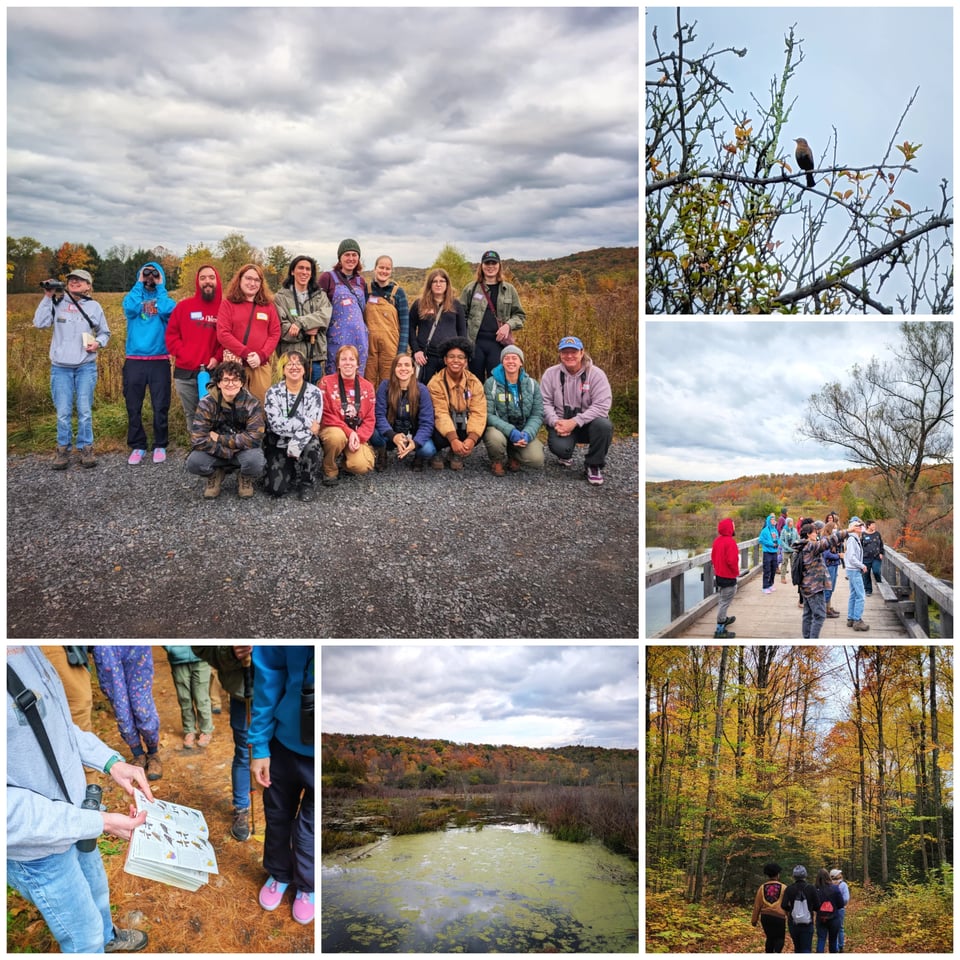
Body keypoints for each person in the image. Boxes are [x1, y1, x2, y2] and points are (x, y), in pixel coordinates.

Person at [8, 646, 156, 953]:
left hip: (76, 818)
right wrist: (97, 821)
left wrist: (110, 762)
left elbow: (57, 727)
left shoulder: (28, 649)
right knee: (83, 938)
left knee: (97, 891)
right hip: (38, 848)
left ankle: (108, 937)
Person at [249, 647, 314, 925]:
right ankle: (279, 874)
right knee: (277, 816)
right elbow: (269, 675)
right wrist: (260, 745)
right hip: (283, 746)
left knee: (308, 830)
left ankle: (308, 885)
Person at [33, 269, 111, 469]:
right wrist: (47, 296)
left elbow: (104, 332)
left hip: (85, 366)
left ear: (88, 285)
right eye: (71, 280)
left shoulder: (94, 306)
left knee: (84, 411)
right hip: (60, 368)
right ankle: (62, 449)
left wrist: (98, 344)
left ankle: (86, 448)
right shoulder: (57, 303)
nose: (75, 282)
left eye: (80, 280)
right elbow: (40, 323)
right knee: (63, 411)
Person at [191, 647, 253, 842]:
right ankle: (242, 808)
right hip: (245, 694)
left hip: (289, 695)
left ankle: (282, 813)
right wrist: (230, 653)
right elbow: (201, 647)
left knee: (283, 754)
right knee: (244, 752)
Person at [186, 360, 266, 499]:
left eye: (235, 380)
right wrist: (227, 451)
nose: (230, 384)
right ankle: (215, 474)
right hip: (222, 450)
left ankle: (244, 477)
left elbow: (255, 437)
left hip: (238, 450)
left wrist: (220, 438)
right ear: (218, 383)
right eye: (226, 379)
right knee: (194, 462)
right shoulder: (206, 403)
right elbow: (198, 439)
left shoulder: (252, 403)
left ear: (242, 383)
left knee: (256, 461)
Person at [122, 260, 176, 465]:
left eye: (154, 275)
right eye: (147, 275)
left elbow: (168, 311)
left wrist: (160, 287)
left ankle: (160, 444)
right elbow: (130, 309)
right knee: (133, 405)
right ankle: (138, 445)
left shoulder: (165, 299)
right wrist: (139, 283)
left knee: (160, 405)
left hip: (159, 359)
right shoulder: (134, 297)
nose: (150, 278)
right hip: (134, 359)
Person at [540, 336, 614, 485]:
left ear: (582, 352)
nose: (569, 356)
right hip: (560, 422)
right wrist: (555, 422)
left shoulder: (597, 374)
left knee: (604, 426)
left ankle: (593, 465)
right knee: (560, 448)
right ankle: (564, 454)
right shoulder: (550, 374)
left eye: (573, 352)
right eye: (564, 352)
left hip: (587, 424)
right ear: (560, 354)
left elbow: (602, 406)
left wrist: (575, 421)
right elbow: (544, 402)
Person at [89, 646, 163, 782]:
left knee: (142, 708)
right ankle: (138, 754)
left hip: (135, 646)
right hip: (106, 649)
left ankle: (153, 753)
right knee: (121, 709)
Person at [165, 264, 222, 433]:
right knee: (192, 413)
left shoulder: (225, 307)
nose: (207, 281)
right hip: (185, 373)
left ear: (217, 281)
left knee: (215, 413)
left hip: (214, 373)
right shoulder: (184, 307)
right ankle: (197, 449)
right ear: (198, 282)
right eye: (203, 278)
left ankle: (215, 450)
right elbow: (171, 336)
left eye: (211, 277)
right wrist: (185, 354)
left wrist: (217, 357)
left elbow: (227, 338)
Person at [263, 348, 324, 501]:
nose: (294, 367)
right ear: (283, 370)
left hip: (303, 441)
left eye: (298, 364)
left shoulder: (314, 392)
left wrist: (295, 444)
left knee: (313, 444)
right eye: (289, 364)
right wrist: (306, 421)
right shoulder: (273, 393)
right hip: (278, 441)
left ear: (305, 369)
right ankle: (288, 469)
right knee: (275, 490)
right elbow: (276, 425)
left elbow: (313, 428)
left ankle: (307, 482)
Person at [217, 263, 281, 409]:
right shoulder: (228, 304)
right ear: (240, 279)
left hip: (260, 366)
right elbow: (223, 333)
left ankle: (259, 432)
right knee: (233, 406)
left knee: (260, 406)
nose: (252, 283)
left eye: (257, 280)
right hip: (234, 365)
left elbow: (275, 332)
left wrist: (261, 355)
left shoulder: (268, 306)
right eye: (248, 278)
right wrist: (245, 353)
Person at [459, 250, 526, 382]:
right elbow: (460, 317)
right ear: (481, 266)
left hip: (498, 345)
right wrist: (463, 343)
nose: (490, 266)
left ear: (499, 266)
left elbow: (520, 315)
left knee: (497, 382)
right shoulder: (471, 289)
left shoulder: (509, 290)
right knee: (474, 382)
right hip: (474, 344)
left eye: (494, 263)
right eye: (487, 263)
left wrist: (508, 325)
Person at [318, 344, 376, 485]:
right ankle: (329, 467)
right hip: (333, 429)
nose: (348, 363)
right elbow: (324, 414)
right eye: (343, 359)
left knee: (362, 465)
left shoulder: (367, 387)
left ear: (357, 364)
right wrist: (349, 432)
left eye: (352, 359)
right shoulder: (326, 382)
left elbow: (370, 418)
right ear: (338, 363)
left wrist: (359, 437)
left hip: (356, 433)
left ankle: (346, 461)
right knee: (336, 437)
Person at [482, 345, 544, 475]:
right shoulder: (491, 383)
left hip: (522, 430)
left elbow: (537, 414)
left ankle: (514, 455)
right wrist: (510, 431)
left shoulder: (532, 385)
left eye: (514, 358)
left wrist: (527, 433)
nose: (511, 361)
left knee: (536, 460)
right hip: (499, 429)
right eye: (507, 358)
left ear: (521, 362)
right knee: (494, 438)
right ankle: (497, 460)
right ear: (502, 362)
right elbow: (488, 414)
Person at [427, 337, 487, 471]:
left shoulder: (474, 382)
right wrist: (453, 439)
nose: (456, 360)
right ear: (445, 360)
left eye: (461, 357)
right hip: (443, 427)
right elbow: (440, 413)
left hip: (464, 423)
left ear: (466, 361)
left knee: (481, 427)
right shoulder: (435, 383)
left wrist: (471, 439)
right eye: (451, 356)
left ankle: (456, 453)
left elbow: (479, 412)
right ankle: (437, 451)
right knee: (433, 426)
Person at [372, 353, 436, 472]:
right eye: (399, 365)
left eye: (407, 365)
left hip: (413, 434)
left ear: (413, 370)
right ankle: (382, 452)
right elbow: (379, 415)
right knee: (373, 433)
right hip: (390, 432)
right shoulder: (385, 386)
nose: (403, 368)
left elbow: (427, 422)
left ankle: (418, 457)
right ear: (394, 369)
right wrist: (393, 435)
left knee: (428, 450)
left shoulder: (422, 390)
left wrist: (416, 442)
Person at [274, 255, 331, 385]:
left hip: (315, 358)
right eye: (300, 268)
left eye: (308, 269)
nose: (304, 272)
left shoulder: (320, 296)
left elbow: (324, 316)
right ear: (292, 271)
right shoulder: (280, 298)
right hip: (289, 359)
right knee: (291, 398)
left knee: (313, 397)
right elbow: (281, 327)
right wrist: (305, 332)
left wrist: (300, 323)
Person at [319, 239, 368, 376]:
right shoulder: (327, 278)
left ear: (358, 258)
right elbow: (318, 307)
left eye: (354, 255)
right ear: (340, 258)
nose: (351, 258)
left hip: (359, 339)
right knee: (335, 375)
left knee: (356, 376)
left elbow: (363, 310)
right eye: (347, 255)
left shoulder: (361, 281)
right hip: (336, 338)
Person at [411, 268, 466, 384]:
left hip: (449, 357)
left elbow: (462, 331)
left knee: (449, 387)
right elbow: (410, 328)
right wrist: (416, 350)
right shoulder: (419, 304)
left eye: (442, 281)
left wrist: (461, 355)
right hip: (425, 357)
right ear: (430, 284)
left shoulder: (455, 304)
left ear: (447, 284)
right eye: (435, 281)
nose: (438, 284)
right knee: (422, 389)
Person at [795, 522, 849, 638]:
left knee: (807, 614)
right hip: (814, 587)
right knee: (820, 615)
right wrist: (848, 531)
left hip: (805, 586)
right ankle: (812, 639)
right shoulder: (811, 546)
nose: (817, 534)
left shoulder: (801, 546)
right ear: (809, 534)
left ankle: (807, 638)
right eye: (815, 532)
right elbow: (829, 541)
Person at [364, 255, 410, 384]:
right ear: (375, 269)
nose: (384, 271)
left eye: (387, 268)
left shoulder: (398, 293)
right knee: (368, 382)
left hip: (391, 347)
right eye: (381, 267)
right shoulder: (366, 290)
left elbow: (405, 325)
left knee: (389, 383)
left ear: (391, 271)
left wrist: (401, 352)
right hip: (369, 347)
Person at [161, 646, 213, 750]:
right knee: (184, 698)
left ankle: (206, 730)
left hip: (202, 658)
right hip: (177, 659)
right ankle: (189, 730)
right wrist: (172, 648)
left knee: (202, 698)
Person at [711, 518, 739, 638]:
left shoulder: (717, 541)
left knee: (723, 598)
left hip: (719, 576)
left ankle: (723, 618)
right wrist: (736, 572)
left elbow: (713, 557)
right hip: (728, 576)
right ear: (729, 528)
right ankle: (720, 629)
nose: (734, 527)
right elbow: (732, 561)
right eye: (733, 525)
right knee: (724, 602)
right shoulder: (730, 542)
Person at [781, 864, 818, 954]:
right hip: (807, 922)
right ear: (805, 875)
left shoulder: (789, 889)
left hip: (793, 922)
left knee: (797, 948)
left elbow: (783, 905)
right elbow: (817, 906)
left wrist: (792, 909)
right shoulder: (811, 888)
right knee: (806, 948)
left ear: (794, 876)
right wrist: (809, 908)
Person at [751, 862, 787, 953]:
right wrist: (790, 918)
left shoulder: (762, 888)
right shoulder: (783, 888)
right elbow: (787, 904)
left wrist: (754, 920)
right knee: (780, 938)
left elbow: (757, 905)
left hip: (766, 917)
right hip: (779, 917)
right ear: (778, 874)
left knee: (770, 938)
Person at [844, 517, 870, 631]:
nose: (861, 527)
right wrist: (862, 565)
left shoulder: (855, 538)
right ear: (854, 528)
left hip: (853, 570)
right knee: (861, 595)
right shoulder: (852, 540)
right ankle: (857, 620)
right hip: (854, 570)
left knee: (854, 594)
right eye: (858, 526)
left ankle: (851, 619)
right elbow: (851, 557)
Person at [814, 867, 844, 954]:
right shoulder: (835, 888)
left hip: (820, 918)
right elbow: (841, 904)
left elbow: (813, 905)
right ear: (828, 877)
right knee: (833, 940)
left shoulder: (815, 889)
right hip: (834, 918)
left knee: (821, 939)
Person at [822, 521, 843, 619]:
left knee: (831, 588)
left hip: (834, 565)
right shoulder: (825, 539)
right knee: (828, 588)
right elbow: (826, 554)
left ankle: (828, 607)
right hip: (829, 565)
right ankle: (824, 609)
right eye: (834, 528)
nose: (836, 530)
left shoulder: (832, 539)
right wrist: (838, 555)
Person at [861, 520, 885, 595]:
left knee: (876, 571)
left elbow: (881, 544)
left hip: (876, 557)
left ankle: (879, 584)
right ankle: (868, 590)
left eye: (874, 525)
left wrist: (881, 553)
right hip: (866, 558)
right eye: (873, 525)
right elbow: (860, 546)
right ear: (868, 526)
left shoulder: (877, 534)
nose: (874, 526)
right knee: (866, 574)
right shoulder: (863, 535)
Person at [829, 869, 850, 952]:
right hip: (840, 909)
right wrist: (841, 904)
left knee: (832, 928)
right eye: (839, 873)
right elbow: (846, 898)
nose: (840, 874)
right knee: (840, 927)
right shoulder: (843, 885)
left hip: (830, 909)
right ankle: (840, 946)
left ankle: (835, 947)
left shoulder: (828, 885)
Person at [759, 513, 780, 593]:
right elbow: (761, 540)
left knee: (773, 569)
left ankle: (770, 584)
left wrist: (778, 543)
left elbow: (778, 538)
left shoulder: (775, 530)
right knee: (767, 569)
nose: (773, 520)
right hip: (767, 552)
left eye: (774, 519)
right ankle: (765, 586)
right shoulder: (764, 530)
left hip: (774, 552)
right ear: (768, 520)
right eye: (771, 519)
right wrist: (771, 544)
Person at [779, 518, 799, 584]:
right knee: (784, 563)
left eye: (792, 521)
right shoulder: (784, 530)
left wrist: (796, 546)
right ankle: (783, 577)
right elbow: (781, 540)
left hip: (793, 550)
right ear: (787, 523)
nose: (792, 522)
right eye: (790, 521)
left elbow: (797, 539)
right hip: (786, 550)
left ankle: (794, 577)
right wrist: (787, 548)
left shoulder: (795, 530)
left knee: (793, 564)